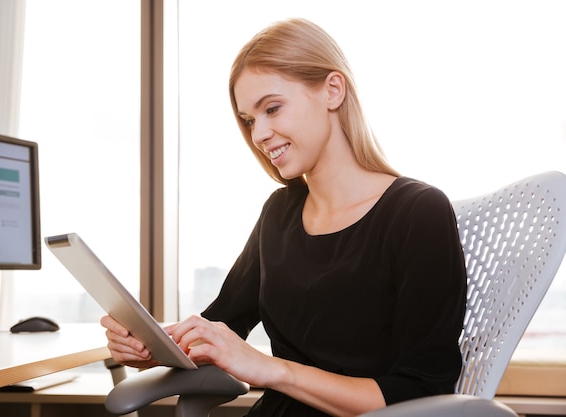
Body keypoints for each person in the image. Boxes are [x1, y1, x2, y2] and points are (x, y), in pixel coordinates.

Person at [101, 17, 467, 417]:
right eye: (250, 120)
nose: (259, 134)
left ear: (332, 90)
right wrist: (151, 348)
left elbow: (420, 392)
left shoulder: (418, 212)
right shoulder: (280, 212)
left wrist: (272, 369)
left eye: (272, 108)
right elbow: (220, 326)